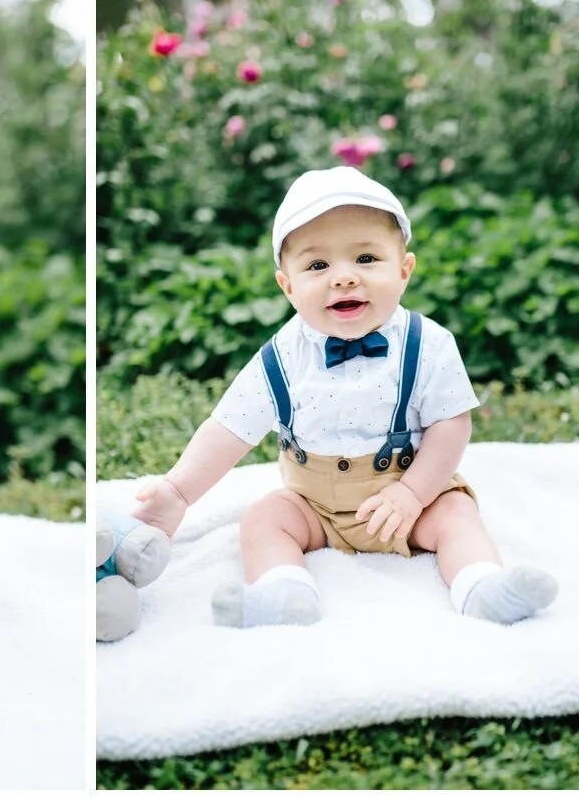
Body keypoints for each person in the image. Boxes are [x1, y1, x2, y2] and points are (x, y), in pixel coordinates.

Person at [130, 166, 557, 627]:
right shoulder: (282, 356)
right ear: (287, 286)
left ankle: (483, 586)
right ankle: (285, 592)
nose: (344, 278)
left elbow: (452, 424)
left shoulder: (427, 344)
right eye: (317, 266)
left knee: (455, 513)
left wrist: (413, 494)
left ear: (404, 270)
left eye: (367, 259)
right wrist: (178, 490)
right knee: (263, 519)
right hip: (316, 508)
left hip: (410, 500)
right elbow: (229, 428)